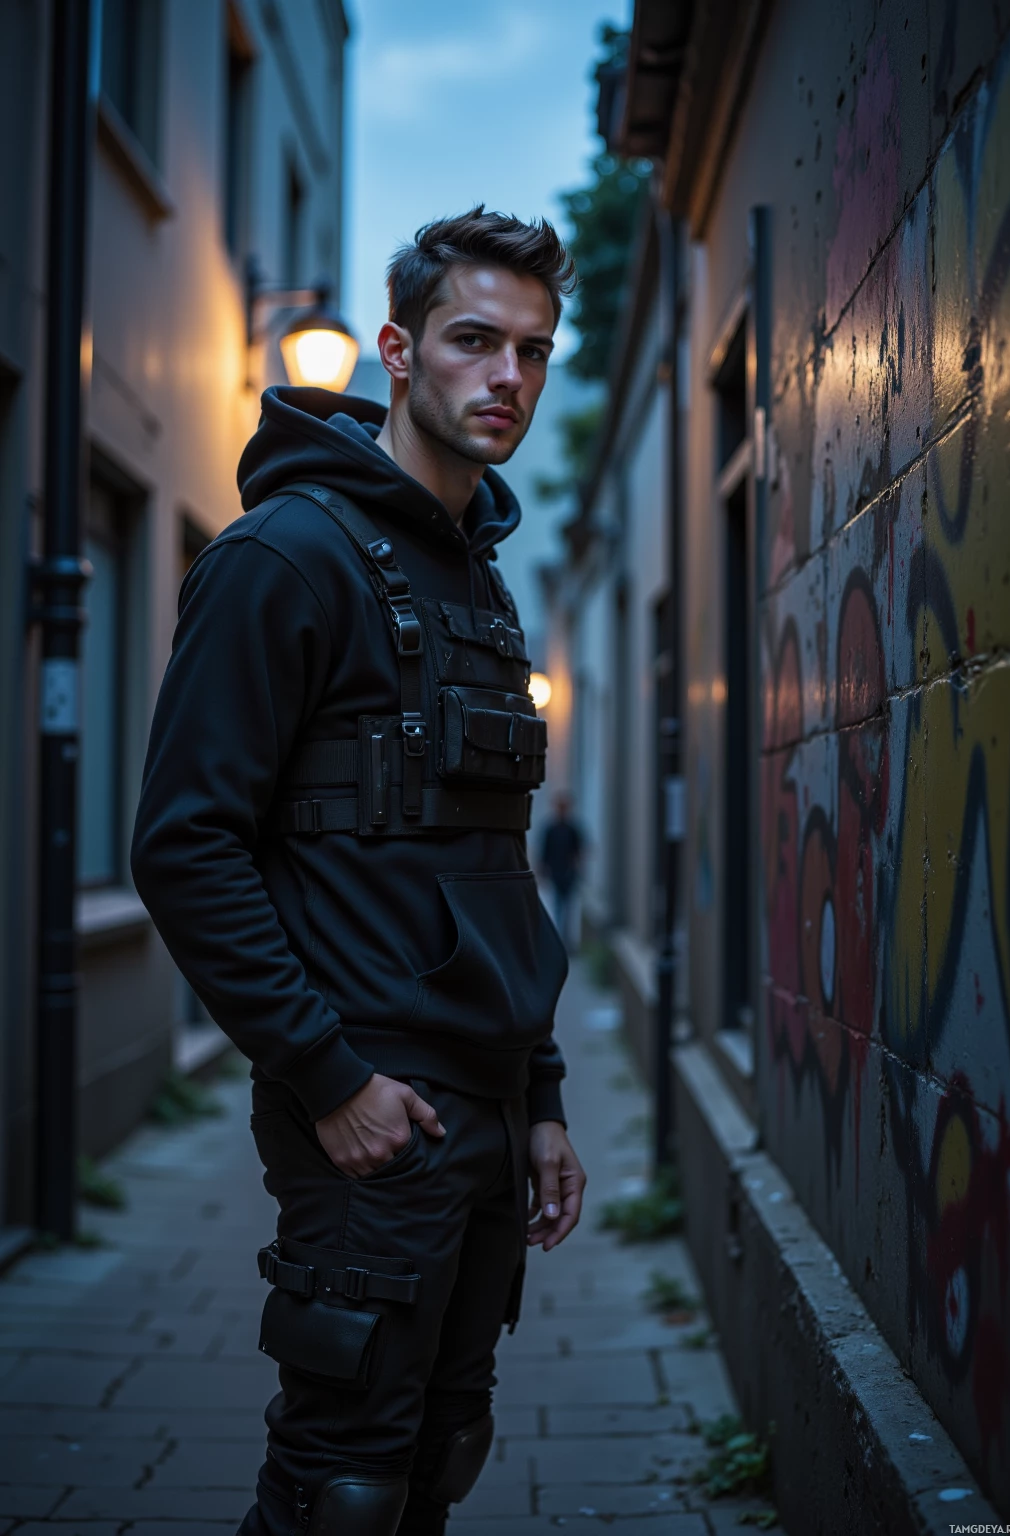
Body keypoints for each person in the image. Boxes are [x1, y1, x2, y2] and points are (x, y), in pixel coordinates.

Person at [131, 209, 587, 1536]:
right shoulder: (283, 561)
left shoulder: (481, 587)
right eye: (473, 341)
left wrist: (542, 1096)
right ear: (397, 351)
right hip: (373, 1116)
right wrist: (326, 1078)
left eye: (535, 351)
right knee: (342, 1483)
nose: (508, 376)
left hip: (489, 1116)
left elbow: (496, 864)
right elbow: (184, 845)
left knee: (440, 1457)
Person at [539, 794, 585, 950]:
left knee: (569, 907)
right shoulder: (550, 829)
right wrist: (543, 871)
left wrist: (577, 869)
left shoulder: (572, 829)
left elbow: (578, 851)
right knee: (559, 906)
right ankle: (560, 940)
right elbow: (544, 852)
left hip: (568, 874)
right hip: (556, 873)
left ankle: (566, 939)